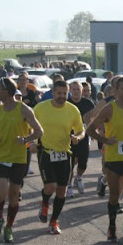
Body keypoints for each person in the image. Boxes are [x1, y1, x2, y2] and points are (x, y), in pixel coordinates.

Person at [0, 77, 43, 243]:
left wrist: (25, 140)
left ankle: (9, 227)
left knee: (13, 195)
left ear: (6, 91)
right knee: (1, 194)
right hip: (0, 156)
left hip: (18, 158)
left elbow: (39, 131)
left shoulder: (24, 109)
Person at [86, 77, 123, 243]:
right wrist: (105, 140)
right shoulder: (109, 109)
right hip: (114, 159)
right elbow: (90, 129)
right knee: (114, 196)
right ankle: (111, 226)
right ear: (115, 91)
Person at [34, 80, 85, 234]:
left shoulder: (72, 110)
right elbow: (29, 126)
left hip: (64, 153)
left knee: (62, 190)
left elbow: (81, 130)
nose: (62, 96)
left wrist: (77, 137)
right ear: (53, 93)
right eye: (59, 93)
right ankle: (44, 204)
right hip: (46, 152)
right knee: (50, 186)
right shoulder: (41, 108)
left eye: (65, 93)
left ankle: (54, 221)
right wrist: (31, 143)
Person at [67, 80, 96, 195]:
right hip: (69, 137)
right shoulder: (67, 103)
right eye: (73, 89)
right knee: (70, 163)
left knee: (83, 163)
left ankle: (78, 177)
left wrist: (93, 131)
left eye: (78, 89)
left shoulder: (88, 103)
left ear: (82, 90)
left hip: (83, 136)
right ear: (70, 90)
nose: (75, 91)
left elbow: (93, 118)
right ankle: (69, 185)